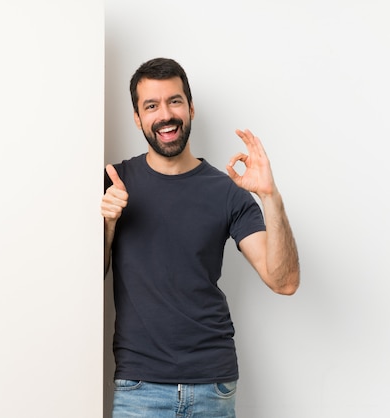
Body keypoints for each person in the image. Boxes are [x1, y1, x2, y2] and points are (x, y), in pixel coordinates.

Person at [101, 58, 300, 418]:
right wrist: (109, 224)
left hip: (213, 386)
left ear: (190, 108)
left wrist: (270, 196)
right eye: (151, 105)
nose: (165, 114)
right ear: (137, 117)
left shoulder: (228, 191)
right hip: (139, 389)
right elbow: (84, 282)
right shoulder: (114, 183)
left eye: (174, 101)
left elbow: (283, 280)